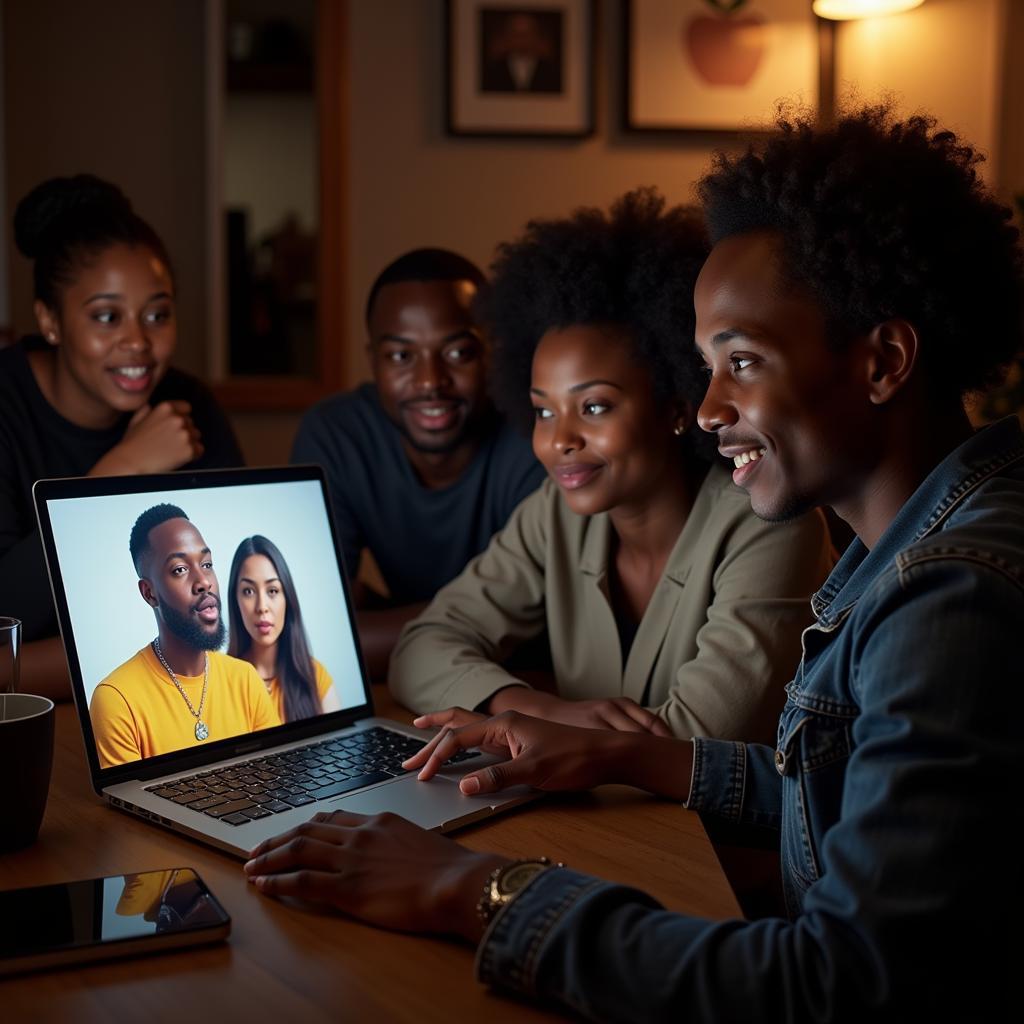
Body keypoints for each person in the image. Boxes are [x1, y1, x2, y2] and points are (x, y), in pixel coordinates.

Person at [243, 104, 1024, 1020]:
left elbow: (834, 983)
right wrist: (610, 752)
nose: (706, 409)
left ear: (884, 360)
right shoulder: (922, 551)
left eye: (741, 362)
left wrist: (473, 892)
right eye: (704, 367)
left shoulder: (951, 598)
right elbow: (830, 797)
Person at [389, 189, 832, 741]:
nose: (559, 441)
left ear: (674, 403)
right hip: (592, 823)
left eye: (594, 406)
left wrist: (533, 728)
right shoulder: (556, 514)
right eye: (543, 411)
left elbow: (696, 742)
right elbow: (420, 647)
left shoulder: (767, 523)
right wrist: (527, 708)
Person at [0, 175, 243, 702]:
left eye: (157, 314)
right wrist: (125, 466)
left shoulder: (190, 404)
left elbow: (227, 626)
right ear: (50, 320)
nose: (138, 342)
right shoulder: (5, 408)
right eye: (107, 317)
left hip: (169, 702)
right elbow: (6, 617)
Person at [290, 248, 545, 678]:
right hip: (425, 687)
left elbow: (544, 629)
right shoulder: (337, 434)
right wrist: (473, 622)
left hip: (537, 689)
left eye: (458, 353)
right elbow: (306, 637)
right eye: (400, 356)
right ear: (372, 359)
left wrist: (370, 625)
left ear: (492, 352)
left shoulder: (535, 431)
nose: (430, 381)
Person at [90, 504, 279, 768]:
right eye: (179, 569)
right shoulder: (117, 700)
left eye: (207, 564)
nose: (204, 581)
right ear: (149, 593)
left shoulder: (246, 679)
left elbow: (277, 781)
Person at [227, 534, 342, 722]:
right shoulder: (220, 681)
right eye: (248, 591)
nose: (262, 606)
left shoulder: (314, 675)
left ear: (287, 597)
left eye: (272, 591)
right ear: (235, 600)